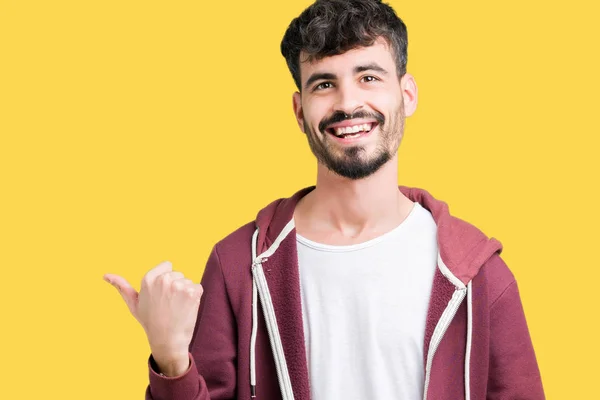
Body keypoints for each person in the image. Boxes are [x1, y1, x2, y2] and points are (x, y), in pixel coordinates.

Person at [103, 0, 545, 399]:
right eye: (323, 84)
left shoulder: (478, 275)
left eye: (369, 77)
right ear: (299, 111)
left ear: (406, 95)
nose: (348, 102)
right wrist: (170, 359)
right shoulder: (236, 266)